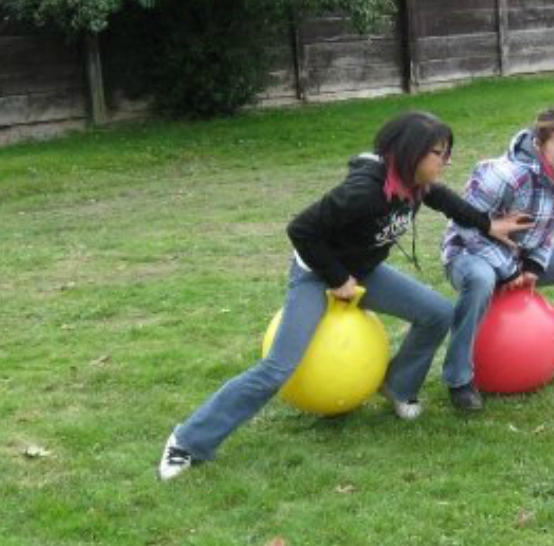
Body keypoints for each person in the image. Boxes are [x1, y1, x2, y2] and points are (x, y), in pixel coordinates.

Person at [161, 111, 531, 480]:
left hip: (364, 270)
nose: (446, 161)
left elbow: (445, 200)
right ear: (410, 153)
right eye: (439, 153)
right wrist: (337, 278)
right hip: (317, 274)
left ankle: (398, 385)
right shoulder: (364, 193)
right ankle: (187, 442)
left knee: (437, 313)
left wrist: (486, 224)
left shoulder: (415, 183)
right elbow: (301, 229)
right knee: (278, 368)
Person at [439, 107, 554, 410]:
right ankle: (459, 380)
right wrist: (508, 270)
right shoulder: (504, 176)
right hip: (470, 254)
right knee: (483, 279)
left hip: (521, 257)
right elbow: (464, 226)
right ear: (539, 145)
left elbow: (549, 228)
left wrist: (535, 264)